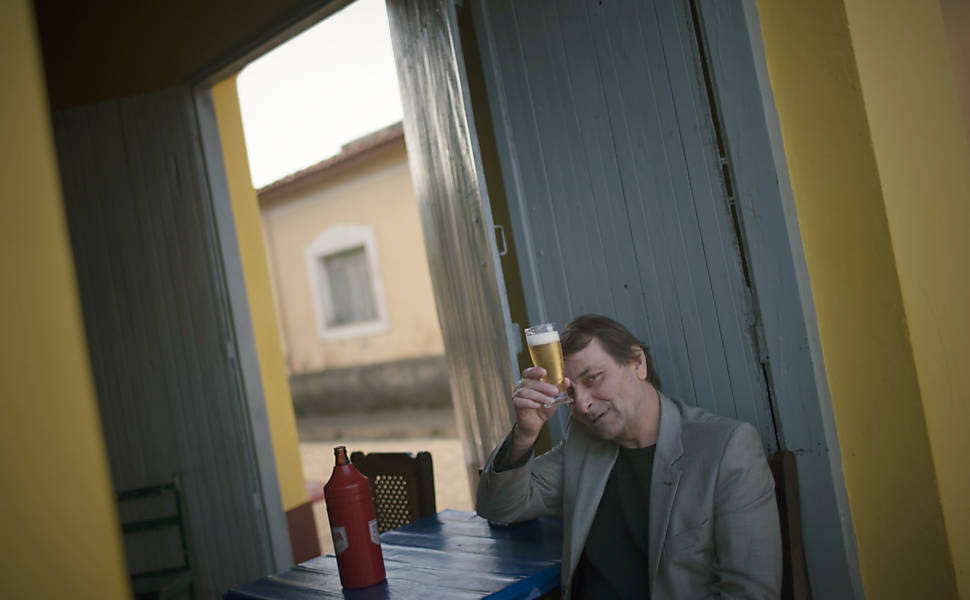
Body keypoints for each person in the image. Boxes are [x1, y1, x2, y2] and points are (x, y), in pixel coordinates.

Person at [476, 314, 782, 599]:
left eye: (593, 377)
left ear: (638, 363)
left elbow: (749, 592)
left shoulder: (727, 448)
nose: (581, 404)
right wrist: (525, 434)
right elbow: (500, 508)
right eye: (570, 392)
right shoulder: (583, 441)